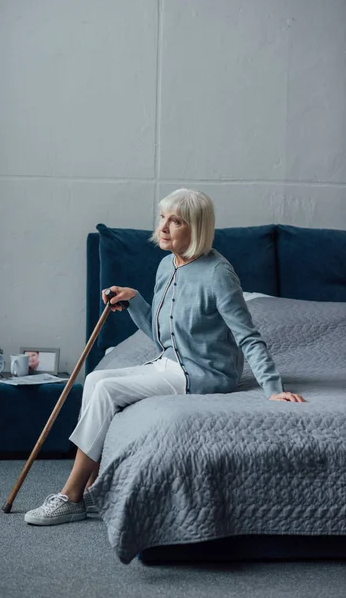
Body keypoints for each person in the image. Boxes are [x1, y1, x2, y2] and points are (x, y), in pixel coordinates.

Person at [24, 188, 305, 526]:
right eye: (162, 218)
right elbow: (161, 337)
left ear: (196, 229)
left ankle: (72, 495)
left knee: (107, 390)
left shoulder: (218, 274)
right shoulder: (165, 265)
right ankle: (94, 485)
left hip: (204, 373)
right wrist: (135, 301)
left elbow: (247, 335)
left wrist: (273, 388)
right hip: (170, 363)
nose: (164, 227)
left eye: (176, 221)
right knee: (97, 379)